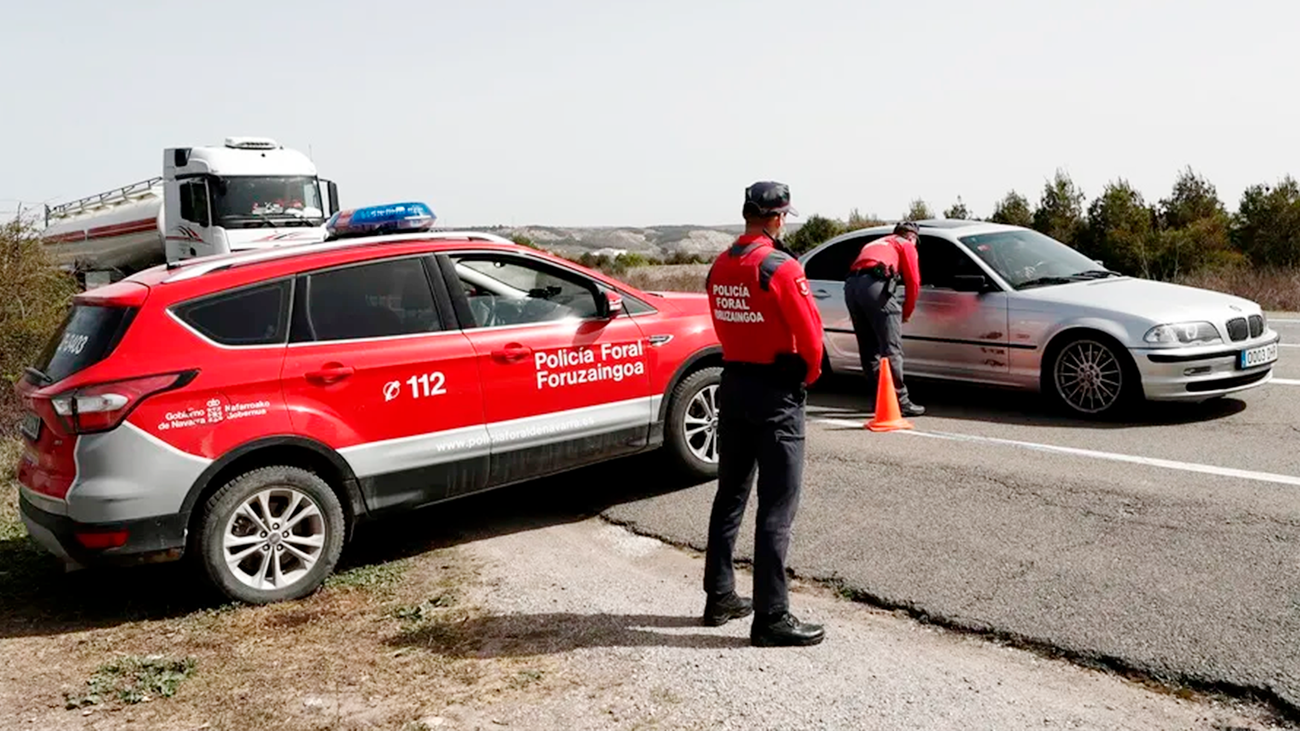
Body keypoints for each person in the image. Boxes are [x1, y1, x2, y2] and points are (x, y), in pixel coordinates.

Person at [701, 180, 826, 647]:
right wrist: (804, 377)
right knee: (777, 506)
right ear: (777, 218)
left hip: (734, 385)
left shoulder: (720, 265)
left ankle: (719, 597)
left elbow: (722, 322)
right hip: (776, 393)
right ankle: (771, 616)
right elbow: (812, 340)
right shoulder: (780, 266)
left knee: (730, 496)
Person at [844, 221, 925, 416]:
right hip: (875, 286)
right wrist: (907, 312)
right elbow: (914, 281)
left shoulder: (876, 242)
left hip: (851, 287)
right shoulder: (906, 244)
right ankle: (900, 401)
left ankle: (879, 400)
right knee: (891, 348)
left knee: (868, 348)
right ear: (912, 237)